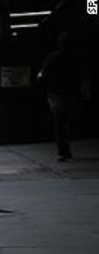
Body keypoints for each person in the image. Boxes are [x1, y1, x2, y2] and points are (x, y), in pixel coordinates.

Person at [38, 32, 78, 162]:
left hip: (56, 93)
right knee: (68, 121)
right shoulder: (75, 58)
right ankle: (66, 147)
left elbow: (43, 74)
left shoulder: (52, 57)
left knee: (59, 122)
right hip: (72, 93)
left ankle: (62, 151)